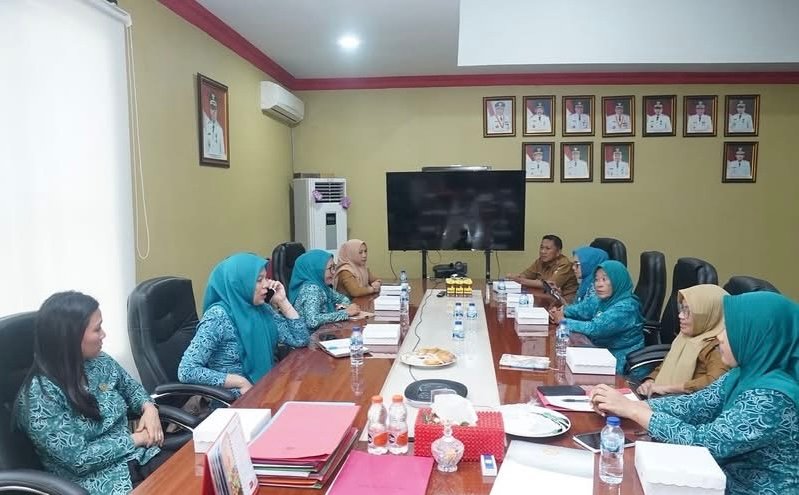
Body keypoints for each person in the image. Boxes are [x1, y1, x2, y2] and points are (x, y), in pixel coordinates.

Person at [590, 292, 799, 495]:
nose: (719, 337)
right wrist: (628, 405)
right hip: (717, 480)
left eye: (729, 330)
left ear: (758, 337)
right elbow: (693, 406)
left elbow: (704, 444)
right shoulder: (743, 373)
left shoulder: (772, 398)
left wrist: (635, 411)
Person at [15, 292, 170, 494]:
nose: (103, 334)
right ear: (71, 337)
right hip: (98, 483)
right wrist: (136, 439)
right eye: (97, 329)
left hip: (138, 458)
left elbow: (131, 388)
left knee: (197, 473)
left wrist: (148, 408)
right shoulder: (40, 395)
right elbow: (80, 459)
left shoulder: (99, 361)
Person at [178, 253, 309, 396]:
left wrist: (282, 301)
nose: (267, 284)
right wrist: (239, 382)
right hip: (236, 399)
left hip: (267, 387)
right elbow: (187, 370)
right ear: (239, 284)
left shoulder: (262, 309)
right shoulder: (218, 317)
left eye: (266, 278)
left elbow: (300, 339)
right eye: (259, 280)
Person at [549, 260, 644, 373]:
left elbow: (595, 329)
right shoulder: (602, 299)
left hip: (621, 362)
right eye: (596, 280)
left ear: (617, 280)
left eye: (604, 279)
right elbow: (581, 310)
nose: (599, 284)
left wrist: (563, 321)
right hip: (599, 353)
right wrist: (561, 311)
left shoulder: (627, 307)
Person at [637, 285, 730, 397]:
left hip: (685, 402)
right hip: (662, 397)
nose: (680, 316)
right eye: (682, 309)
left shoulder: (720, 346)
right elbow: (666, 366)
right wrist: (650, 381)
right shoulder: (686, 336)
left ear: (709, 315)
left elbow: (715, 383)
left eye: (688, 311)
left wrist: (667, 388)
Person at [290, 249, 360, 331]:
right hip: (312, 336)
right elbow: (312, 321)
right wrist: (345, 313)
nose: (333, 272)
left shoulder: (322, 285)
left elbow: (342, 298)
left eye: (334, 267)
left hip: (325, 331)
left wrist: (342, 307)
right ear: (317, 270)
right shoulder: (311, 289)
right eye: (330, 268)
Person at [508, 234, 579, 303]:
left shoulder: (565, 264)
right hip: (546, 299)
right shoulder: (540, 261)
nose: (543, 251)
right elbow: (525, 275)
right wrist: (515, 277)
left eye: (547, 248)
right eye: (541, 248)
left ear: (558, 252)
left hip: (565, 303)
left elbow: (548, 285)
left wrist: (520, 280)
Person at [203, 92, 226, 160]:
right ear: (209, 109)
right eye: (212, 108)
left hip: (219, 159)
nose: (214, 111)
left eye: (215, 108)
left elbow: (222, 152)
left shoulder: (220, 129)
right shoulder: (205, 128)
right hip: (208, 158)